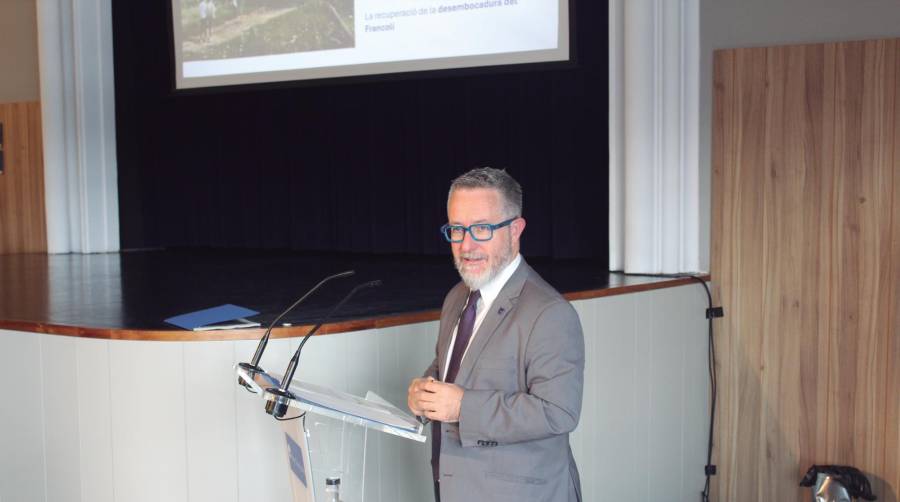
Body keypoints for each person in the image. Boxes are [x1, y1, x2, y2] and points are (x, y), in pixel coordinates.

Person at [407, 167, 584, 502]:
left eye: (482, 229)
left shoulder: (550, 313)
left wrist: (462, 407)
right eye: (457, 230)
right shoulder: (457, 296)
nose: (466, 245)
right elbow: (455, 366)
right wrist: (426, 390)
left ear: (515, 230)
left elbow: (558, 411)